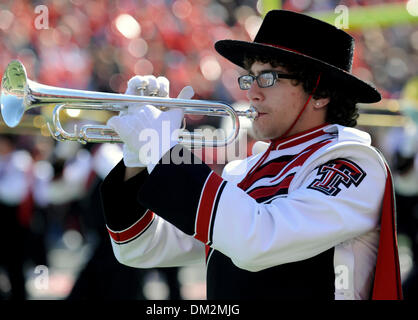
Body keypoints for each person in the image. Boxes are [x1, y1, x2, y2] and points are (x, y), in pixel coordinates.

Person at [100, 10, 402, 300]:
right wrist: (136, 160)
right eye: (250, 77)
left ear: (320, 93)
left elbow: (259, 240)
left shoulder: (352, 161)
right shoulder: (244, 170)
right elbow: (140, 249)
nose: (252, 93)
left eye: (268, 78)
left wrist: (161, 150)